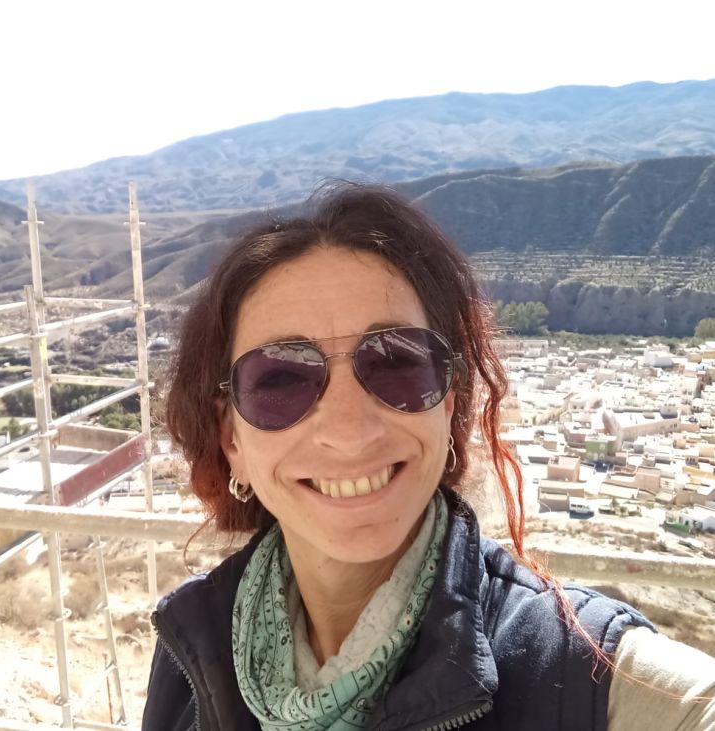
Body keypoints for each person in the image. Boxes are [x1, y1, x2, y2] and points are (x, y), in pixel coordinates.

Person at [142, 183, 715, 731]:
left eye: (397, 364)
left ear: (451, 407)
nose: (349, 431)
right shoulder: (190, 654)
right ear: (232, 441)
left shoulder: (589, 679)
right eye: (281, 379)